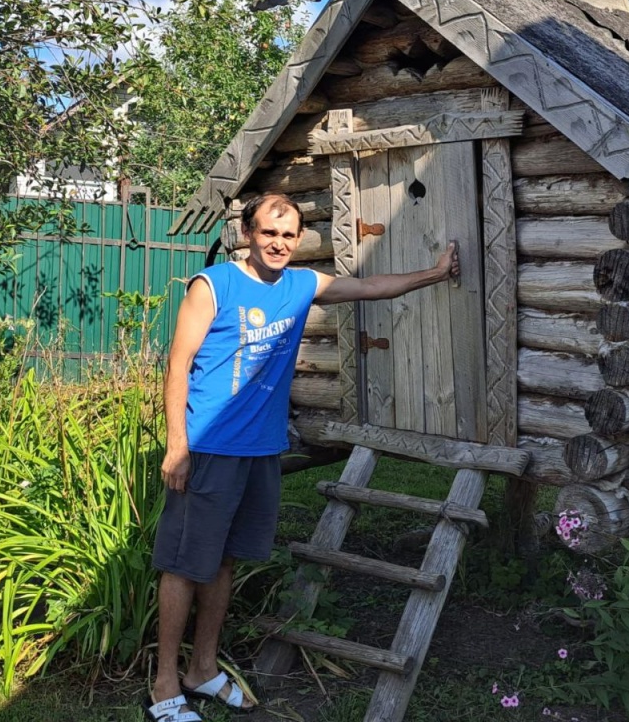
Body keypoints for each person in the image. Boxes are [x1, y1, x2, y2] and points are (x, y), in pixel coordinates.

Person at [145, 192, 459, 722]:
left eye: (289, 235)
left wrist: (434, 273)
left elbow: (370, 287)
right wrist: (177, 446)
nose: (279, 243)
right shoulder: (213, 285)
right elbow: (178, 366)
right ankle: (164, 685)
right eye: (270, 232)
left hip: (261, 450)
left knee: (223, 559)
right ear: (248, 232)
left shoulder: (302, 284)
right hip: (208, 448)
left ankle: (203, 669)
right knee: (182, 564)